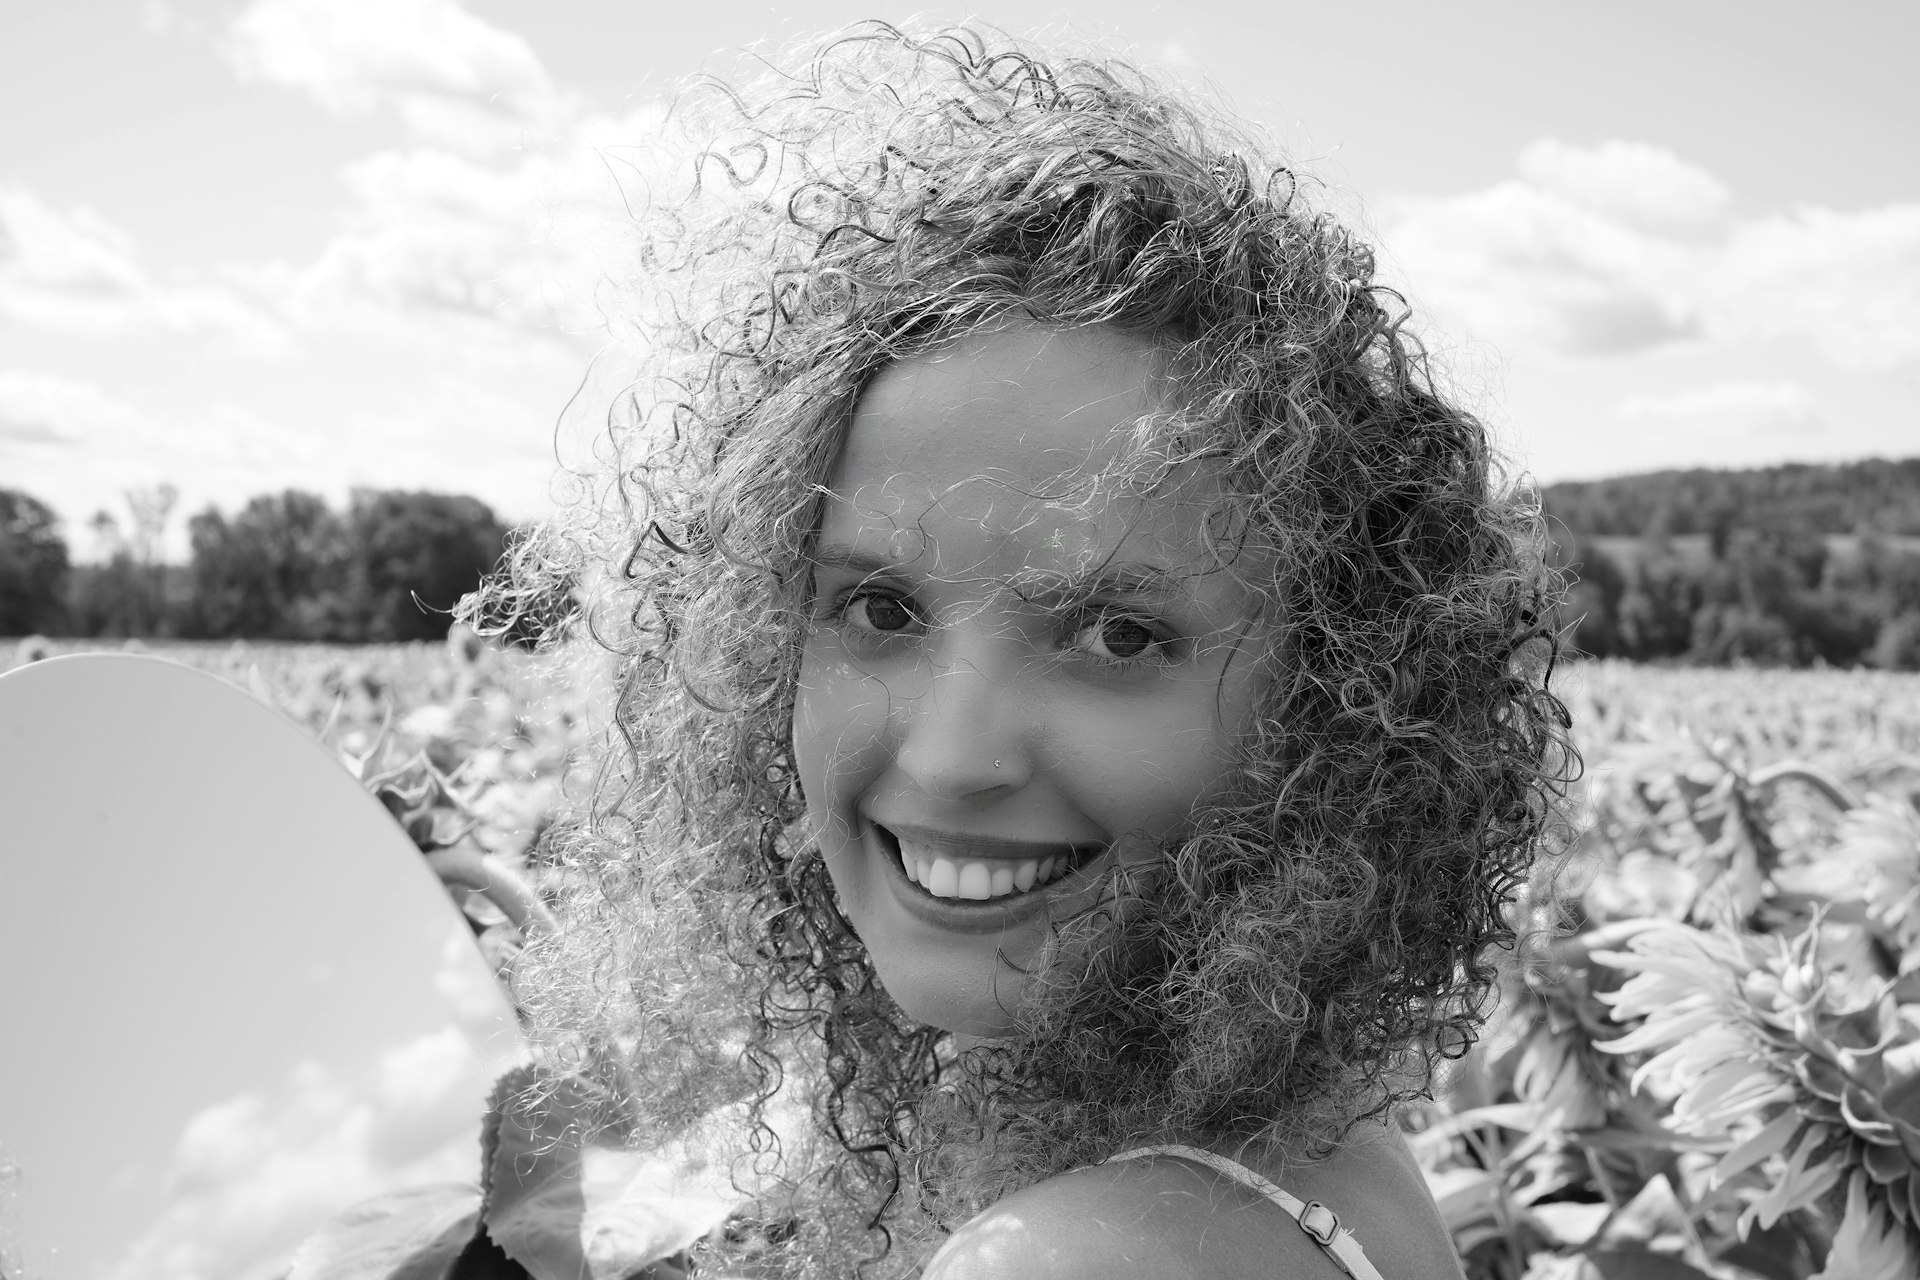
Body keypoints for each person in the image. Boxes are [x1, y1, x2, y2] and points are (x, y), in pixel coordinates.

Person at [474, 22, 1574, 1279]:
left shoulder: (1078, 1257)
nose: (949, 756)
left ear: (1340, 714)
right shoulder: (1290, 1163)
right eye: (878, 609)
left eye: (1117, 633)